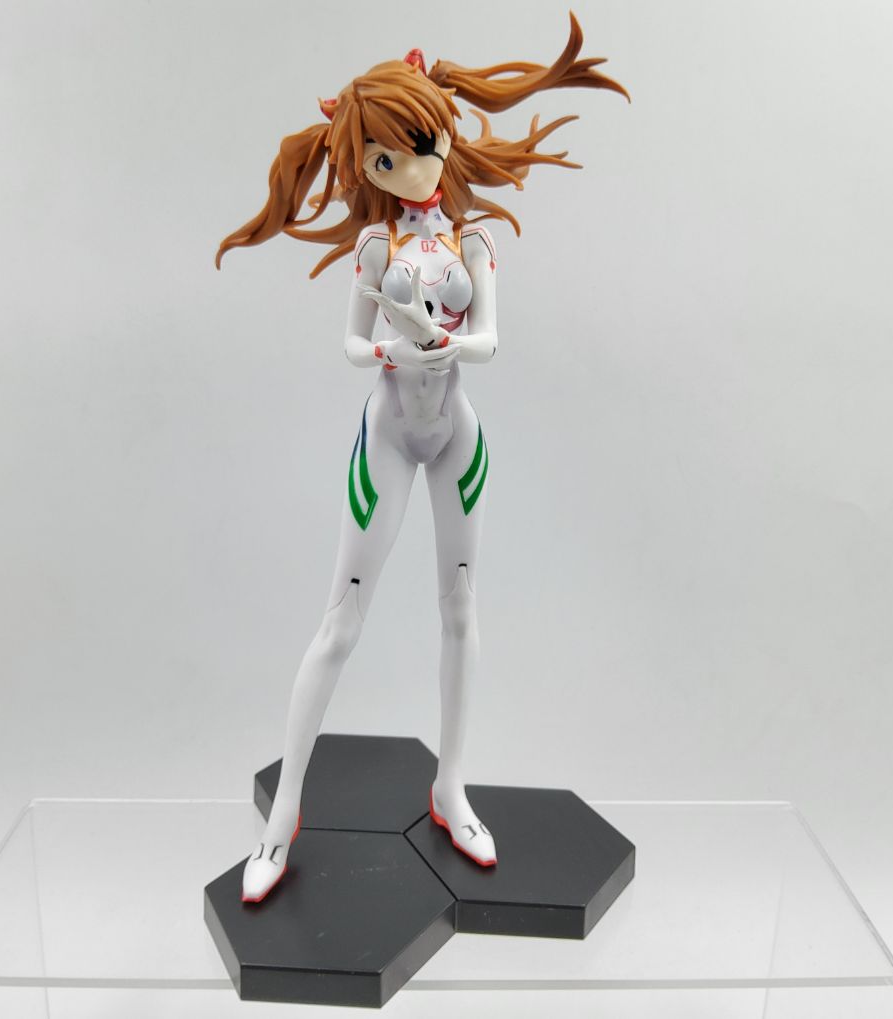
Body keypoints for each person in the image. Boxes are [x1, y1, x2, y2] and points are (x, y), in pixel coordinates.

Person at [215, 14, 629, 903]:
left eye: (418, 146)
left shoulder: (473, 242)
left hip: (455, 435)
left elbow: (490, 339)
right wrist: (393, 350)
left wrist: (446, 346)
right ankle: (282, 814)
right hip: (389, 431)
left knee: (459, 607)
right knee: (341, 618)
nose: (408, 171)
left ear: (440, 128)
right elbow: (350, 345)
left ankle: (450, 787)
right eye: (383, 161)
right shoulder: (376, 246)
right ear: (365, 167)